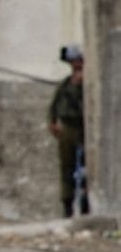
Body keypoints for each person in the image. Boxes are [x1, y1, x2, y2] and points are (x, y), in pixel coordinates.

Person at [48, 44, 88, 217]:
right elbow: (54, 106)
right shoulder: (65, 84)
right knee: (67, 168)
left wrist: (81, 86)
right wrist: (52, 123)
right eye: (73, 62)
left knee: (86, 170)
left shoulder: (87, 84)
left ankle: (86, 204)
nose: (76, 65)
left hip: (84, 128)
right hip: (67, 129)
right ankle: (67, 205)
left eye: (78, 61)